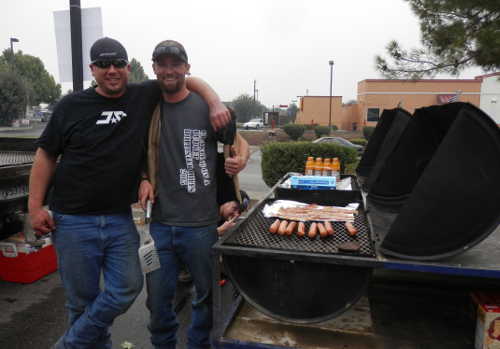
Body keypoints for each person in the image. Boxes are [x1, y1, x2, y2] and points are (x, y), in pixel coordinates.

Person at [28, 37, 230, 349]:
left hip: (121, 219)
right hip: (74, 220)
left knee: (128, 287)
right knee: (82, 303)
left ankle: (71, 344)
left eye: (118, 64)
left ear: (127, 67)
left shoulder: (141, 95)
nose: (112, 70)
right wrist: (35, 206)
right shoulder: (72, 105)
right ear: (92, 69)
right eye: (104, 64)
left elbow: (188, 83)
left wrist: (215, 102)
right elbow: (46, 155)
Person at [139, 39, 248, 349]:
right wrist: (143, 178)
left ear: (187, 67)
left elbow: (238, 145)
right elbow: (137, 151)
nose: (169, 70)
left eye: (176, 64)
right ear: (155, 68)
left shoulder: (208, 108)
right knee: (158, 304)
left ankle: (198, 345)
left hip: (202, 226)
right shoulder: (149, 107)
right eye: (163, 64)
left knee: (206, 297)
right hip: (160, 225)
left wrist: (242, 158)